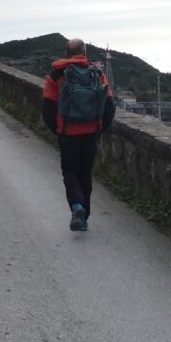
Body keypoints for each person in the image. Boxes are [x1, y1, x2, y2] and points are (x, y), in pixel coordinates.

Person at [41, 39, 116, 231]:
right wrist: (99, 129)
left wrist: (58, 129)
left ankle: (77, 207)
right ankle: (84, 216)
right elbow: (109, 106)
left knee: (70, 171)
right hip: (90, 132)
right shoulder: (97, 74)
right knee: (85, 172)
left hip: (68, 132)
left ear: (66, 53)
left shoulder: (56, 74)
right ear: (84, 52)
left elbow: (47, 108)